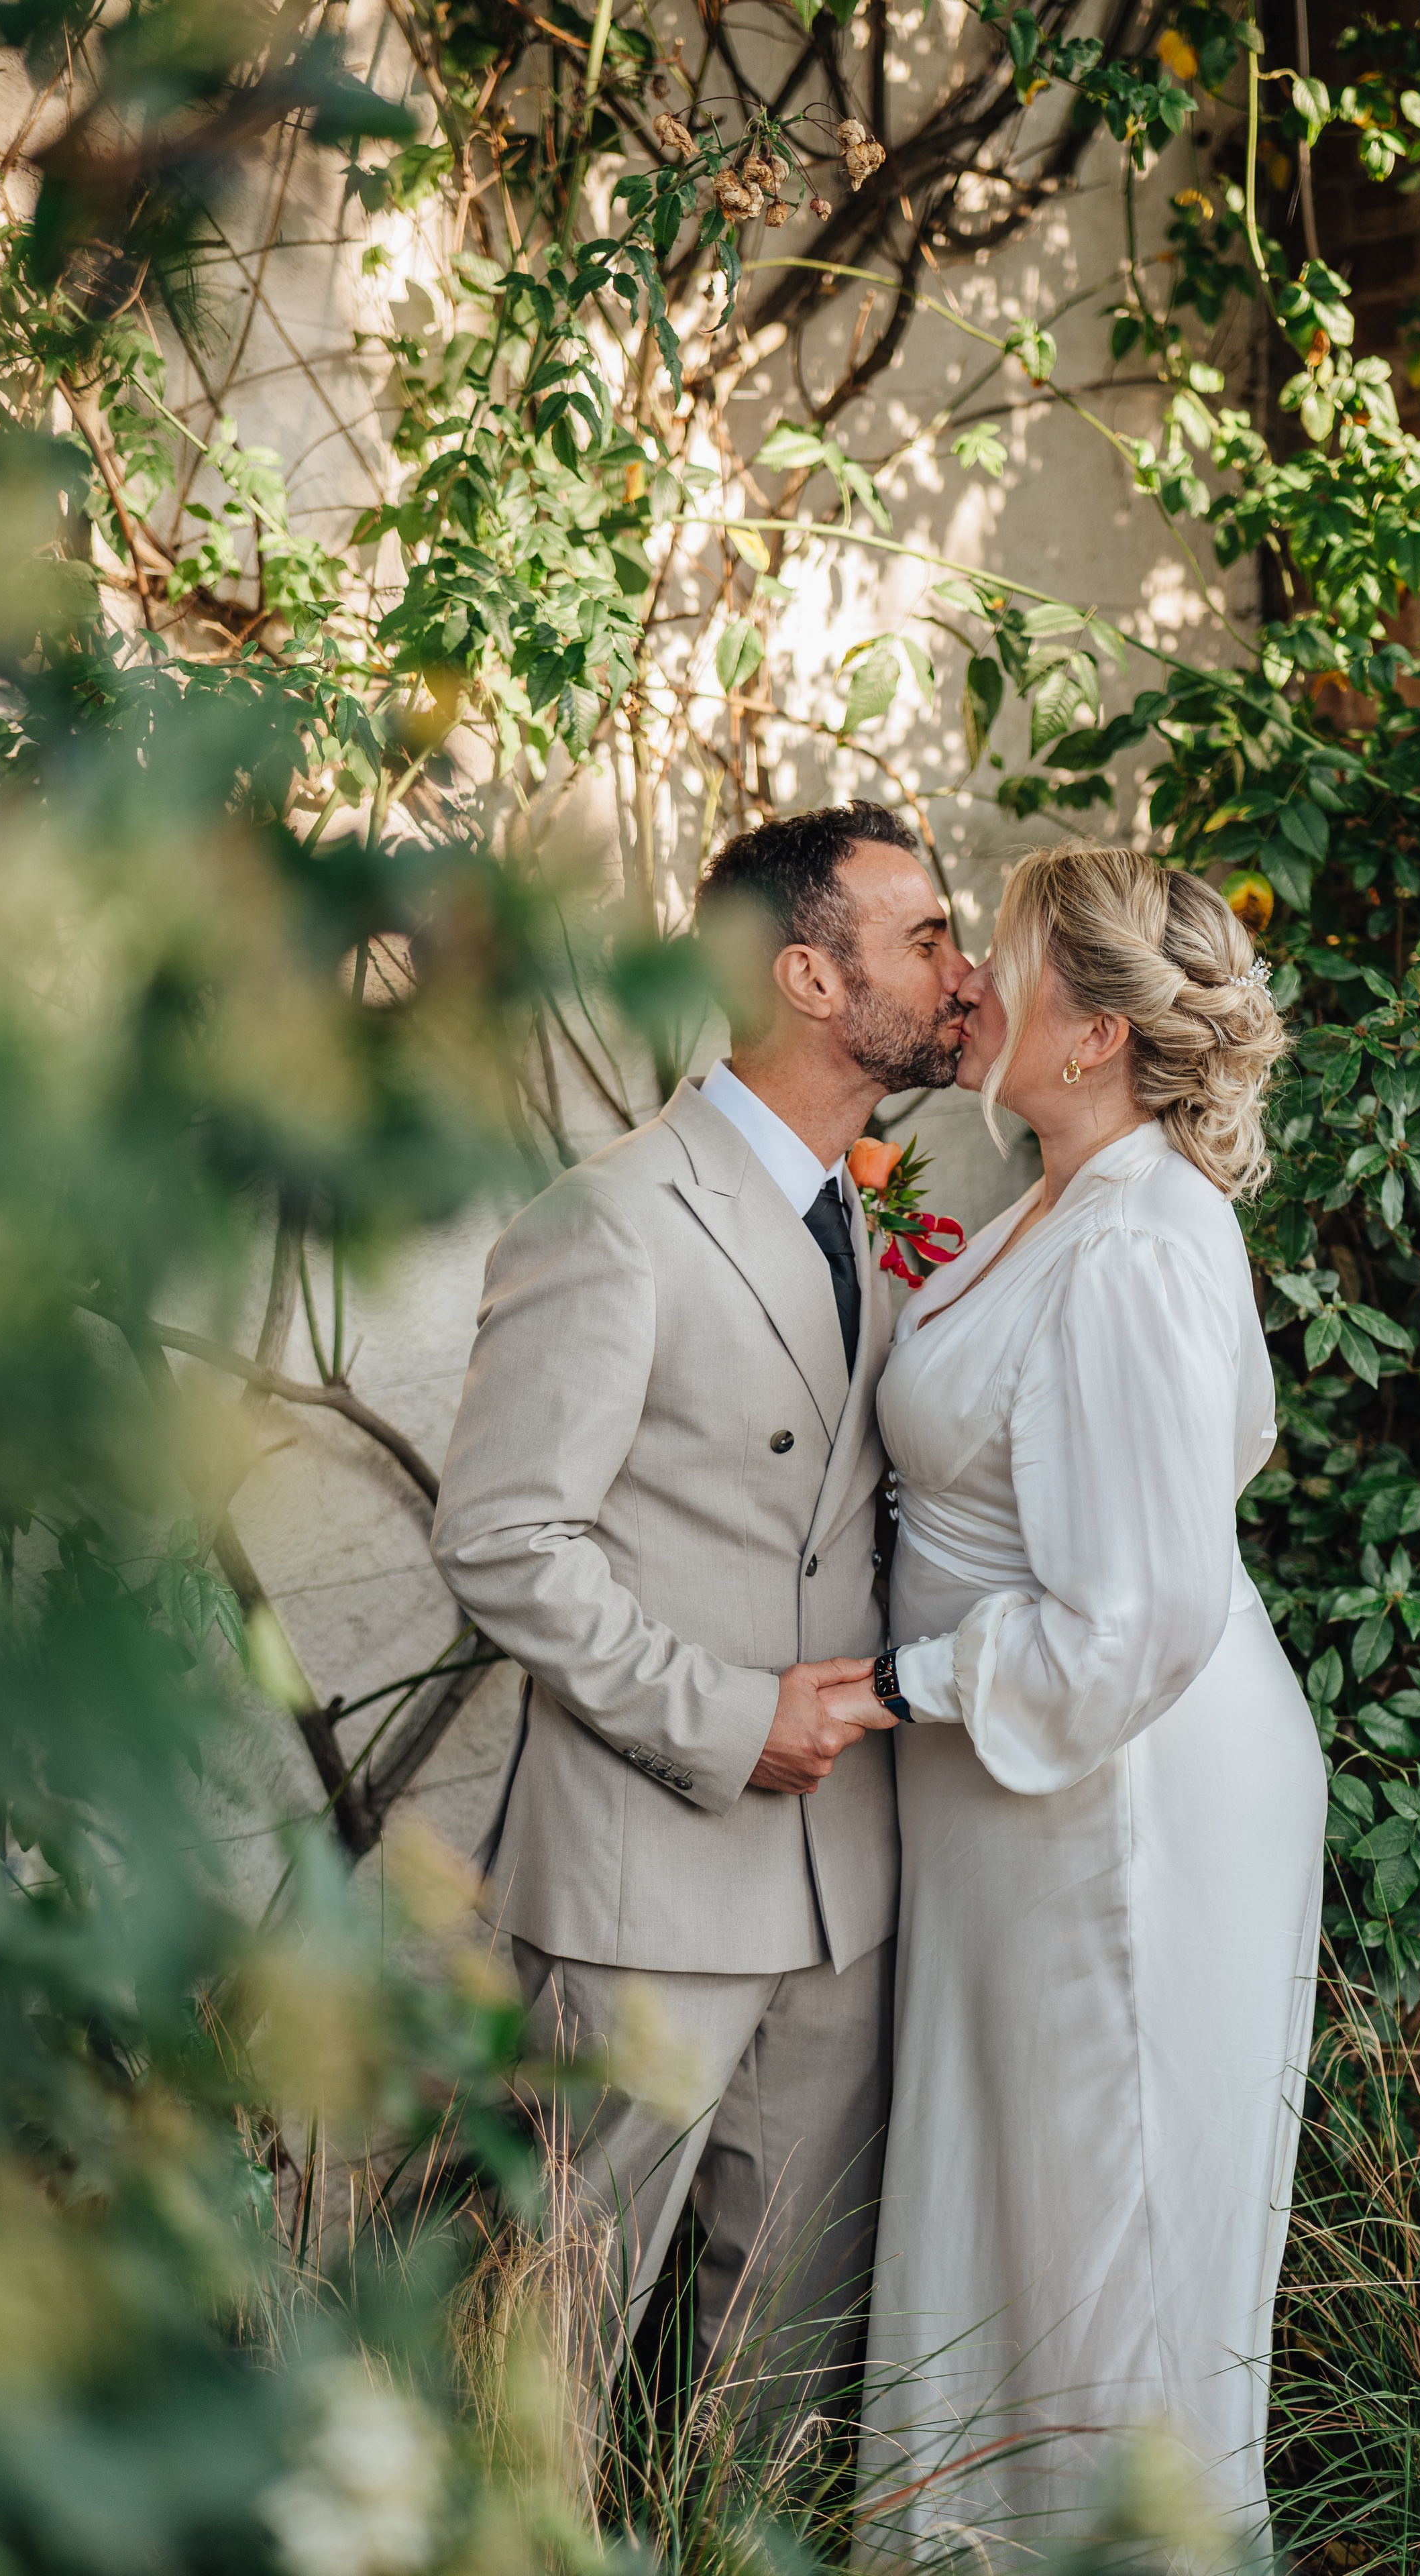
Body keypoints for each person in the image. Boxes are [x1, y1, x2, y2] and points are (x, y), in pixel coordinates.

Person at [431, 801, 969, 2408]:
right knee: (546, 2352)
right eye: (923, 936)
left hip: (841, 1892)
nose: (957, 969)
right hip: (646, 1888)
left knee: (774, 2377)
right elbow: (503, 1536)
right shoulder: (608, 1220)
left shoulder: (862, 1211)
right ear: (807, 976)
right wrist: (732, 1721)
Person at [824, 845, 1327, 2555]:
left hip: (1102, 1789)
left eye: (1004, 963)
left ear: (1097, 1028)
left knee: (1091, 2212)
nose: (966, 985)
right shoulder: (1052, 1189)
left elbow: (1139, 1612)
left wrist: (908, 1681)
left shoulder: (1132, 1242)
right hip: (1014, 1795)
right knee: (1011, 2203)